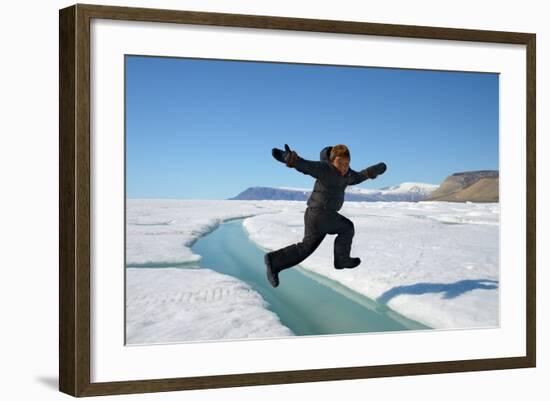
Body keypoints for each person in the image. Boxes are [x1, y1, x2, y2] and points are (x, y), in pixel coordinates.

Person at [264, 144, 387, 288]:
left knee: (305, 248)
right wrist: (290, 159)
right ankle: (342, 260)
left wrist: (372, 171)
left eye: (346, 163)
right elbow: (306, 166)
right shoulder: (325, 168)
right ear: (332, 161)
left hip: (315, 215)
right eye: (340, 163)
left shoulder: (347, 174)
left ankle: (274, 261)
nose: (343, 167)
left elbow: (358, 177)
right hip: (322, 214)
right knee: (347, 228)